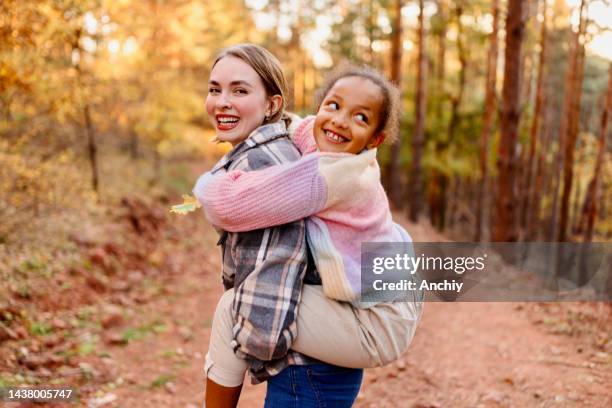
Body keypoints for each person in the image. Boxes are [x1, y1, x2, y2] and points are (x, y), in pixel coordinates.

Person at [195, 59, 423, 407]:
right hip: (383, 296)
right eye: (333, 105)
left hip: (378, 323)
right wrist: (269, 115)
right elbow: (295, 125)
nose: (339, 121)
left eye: (360, 117)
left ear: (375, 138)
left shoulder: (332, 175)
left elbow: (229, 206)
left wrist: (206, 183)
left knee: (233, 307)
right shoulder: (322, 136)